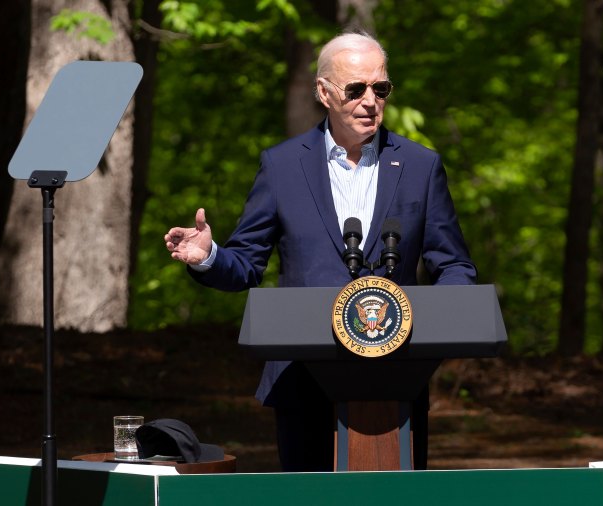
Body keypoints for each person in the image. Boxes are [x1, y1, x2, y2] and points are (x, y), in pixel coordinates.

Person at [164, 32, 476, 472]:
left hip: (396, 376)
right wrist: (209, 256)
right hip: (303, 378)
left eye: (380, 88)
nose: (370, 101)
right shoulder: (282, 165)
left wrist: (445, 315)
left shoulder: (421, 166)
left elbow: (454, 265)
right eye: (355, 89)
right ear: (323, 92)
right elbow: (246, 264)